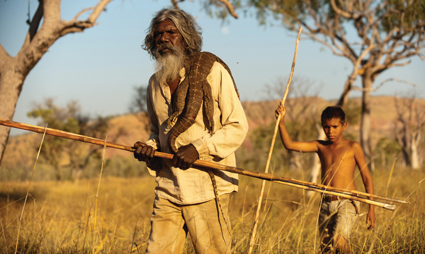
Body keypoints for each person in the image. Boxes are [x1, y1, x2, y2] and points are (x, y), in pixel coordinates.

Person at [133, 8, 248, 254]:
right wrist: (149, 149)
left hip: (208, 186)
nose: (163, 38)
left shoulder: (212, 70)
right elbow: (157, 133)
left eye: (171, 33)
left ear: (185, 37)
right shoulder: (154, 84)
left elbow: (237, 125)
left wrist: (198, 149)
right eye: (158, 34)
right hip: (168, 188)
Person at [275, 104, 375, 253]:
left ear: (344, 126)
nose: (330, 131)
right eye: (326, 127)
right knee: (326, 249)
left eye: (335, 126)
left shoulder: (353, 147)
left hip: (347, 202)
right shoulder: (320, 146)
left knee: (340, 242)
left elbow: (366, 178)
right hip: (325, 204)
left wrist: (371, 209)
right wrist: (281, 121)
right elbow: (289, 145)